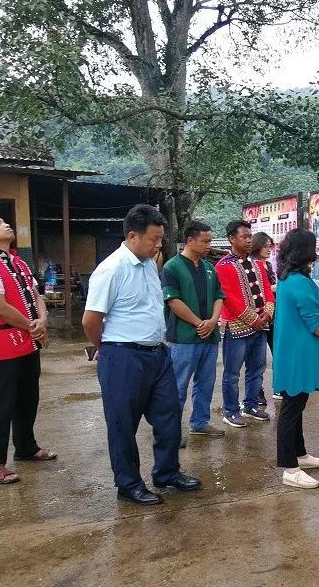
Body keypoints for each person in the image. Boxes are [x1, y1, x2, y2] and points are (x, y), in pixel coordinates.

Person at [82, 204, 200, 506]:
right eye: (154, 239)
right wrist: (104, 348)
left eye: (161, 239)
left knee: (169, 415)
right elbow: (90, 320)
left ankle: (167, 473)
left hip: (157, 354)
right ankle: (128, 484)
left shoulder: (149, 262)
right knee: (122, 423)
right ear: (133, 236)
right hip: (123, 356)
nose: (159, 245)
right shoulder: (111, 269)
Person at [0, 216, 56, 485]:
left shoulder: (18, 262)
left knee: (27, 398)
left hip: (28, 341)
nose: (6, 224)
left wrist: (42, 321)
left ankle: (26, 447)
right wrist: (33, 327)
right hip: (1, 345)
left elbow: (36, 296)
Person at [272, 229, 319, 489]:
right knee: (291, 409)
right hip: (298, 352)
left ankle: (300, 454)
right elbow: (312, 319)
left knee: (295, 406)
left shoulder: (288, 277)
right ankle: (290, 468)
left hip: (293, 350)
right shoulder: (297, 281)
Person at [162, 220, 225, 446]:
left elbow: (219, 296)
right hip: (184, 338)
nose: (209, 245)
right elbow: (172, 300)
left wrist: (213, 321)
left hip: (210, 336)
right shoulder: (172, 267)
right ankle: (171, 431)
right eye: (205, 241)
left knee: (206, 383)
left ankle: (199, 423)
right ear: (190, 240)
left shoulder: (209, 268)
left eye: (210, 241)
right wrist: (200, 323)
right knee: (178, 386)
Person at [215, 220, 275, 427]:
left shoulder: (258, 264)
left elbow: (267, 291)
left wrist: (267, 313)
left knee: (257, 368)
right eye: (244, 237)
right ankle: (230, 411)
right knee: (232, 373)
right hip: (237, 327)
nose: (249, 240)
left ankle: (250, 405)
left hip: (260, 325)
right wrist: (253, 319)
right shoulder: (223, 266)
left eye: (250, 236)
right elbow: (229, 298)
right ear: (232, 239)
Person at [250, 231, 281, 403]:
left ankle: (279, 387)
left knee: (278, 352)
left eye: (270, 246)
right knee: (257, 359)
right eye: (265, 246)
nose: (268, 250)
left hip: (274, 314)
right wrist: (274, 288)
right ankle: (257, 392)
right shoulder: (251, 265)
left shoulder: (268, 265)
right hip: (257, 316)